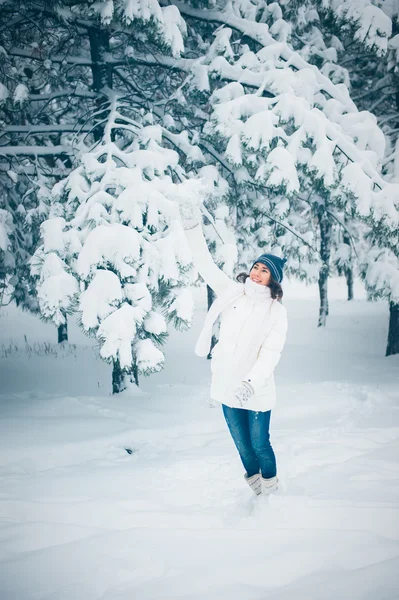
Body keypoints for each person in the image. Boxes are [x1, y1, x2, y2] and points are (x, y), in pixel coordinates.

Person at [179, 203, 288, 497]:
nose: (256, 272)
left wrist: (250, 384)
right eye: (256, 266)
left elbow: (270, 355)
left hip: (257, 390)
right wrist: (191, 230)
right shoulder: (232, 293)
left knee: (259, 444)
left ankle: (272, 495)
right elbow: (205, 265)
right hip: (227, 386)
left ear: (273, 279)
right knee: (242, 446)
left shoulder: (275, 312)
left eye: (264, 270)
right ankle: (259, 495)